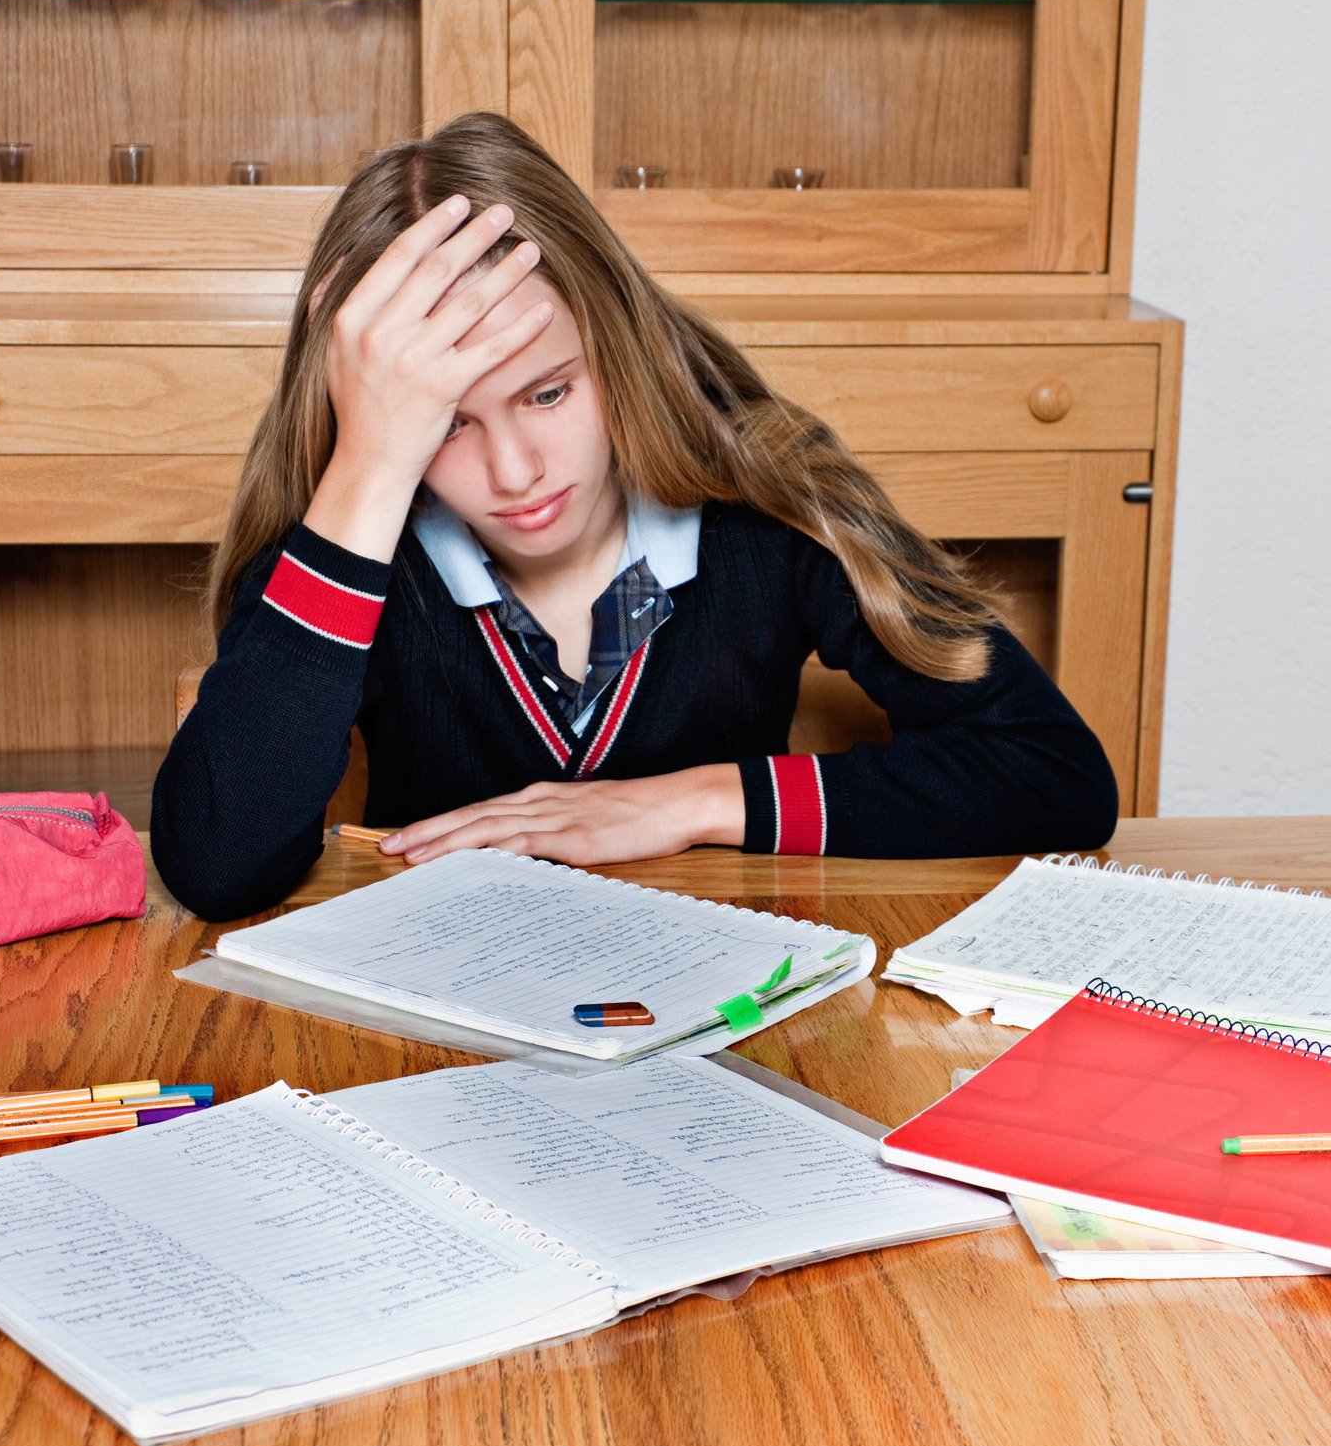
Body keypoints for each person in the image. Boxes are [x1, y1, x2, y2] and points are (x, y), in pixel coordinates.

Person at [152, 112, 1117, 922]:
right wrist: (367, 466)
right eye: (445, 424)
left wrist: (697, 801)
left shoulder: (765, 496)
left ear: (613, 341)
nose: (515, 470)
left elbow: (1055, 772)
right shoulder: (348, 537)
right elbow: (218, 868)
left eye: (548, 394)